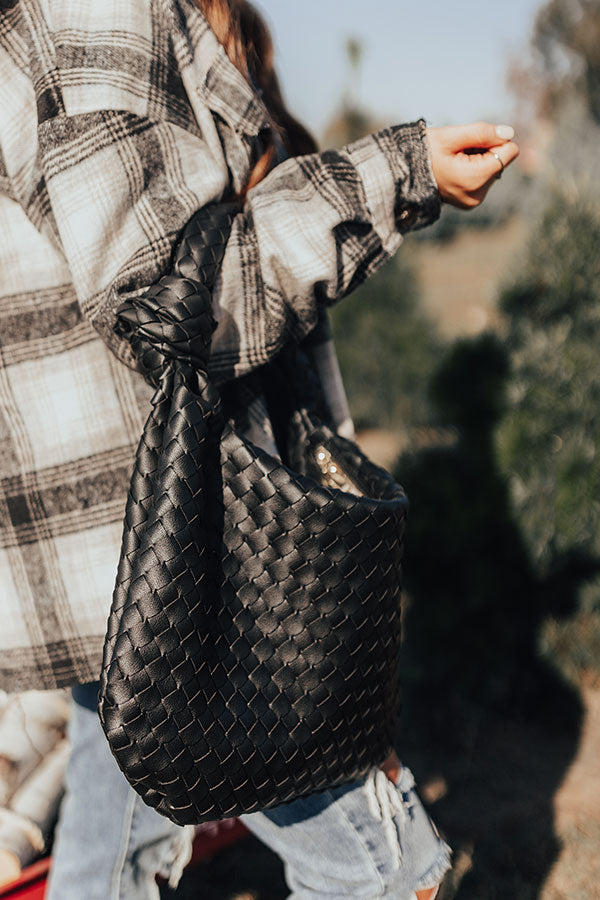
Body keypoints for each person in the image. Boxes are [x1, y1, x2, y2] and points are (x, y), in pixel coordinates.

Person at [0, 0, 519, 897]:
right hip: (188, 544)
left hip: (121, 555)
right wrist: (394, 175)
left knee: (108, 844)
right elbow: (169, 300)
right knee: (380, 871)